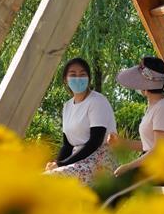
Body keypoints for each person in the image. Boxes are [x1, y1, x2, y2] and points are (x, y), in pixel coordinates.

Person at [44, 57, 117, 185]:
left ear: (89, 78)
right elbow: (67, 145)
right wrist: (56, 163)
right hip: (78, 160)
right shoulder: (67, 106)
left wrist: (62, 164)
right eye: (73, 75)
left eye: (82, 74)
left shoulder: (97, 101)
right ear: (65, 80)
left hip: (99, 161)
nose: (78, 78)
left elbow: (95, 141)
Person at [112, 56, 164, 177]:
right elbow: (149, 146)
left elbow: (159, 150)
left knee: (110, 191)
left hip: (162, 170)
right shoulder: (153, 107)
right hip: (152, 166)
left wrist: (128, 167)